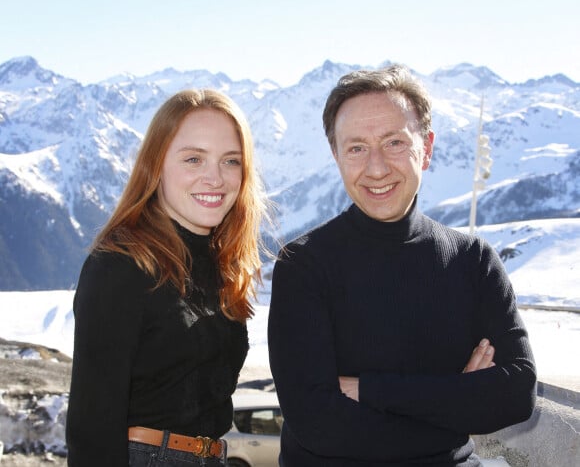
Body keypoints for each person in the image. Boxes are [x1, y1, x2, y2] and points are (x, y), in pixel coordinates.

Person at [268, 65, 536, 466]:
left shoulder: (473, 261)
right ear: (336, 155)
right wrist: (455, 397)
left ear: (426, 148)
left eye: (394, 142)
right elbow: (317, 425)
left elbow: (515, 395)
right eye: (356, 147)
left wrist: (371, 390)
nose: (376, 168)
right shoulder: (304, 265)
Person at [66, 88, 271, 466]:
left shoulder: (219, 263)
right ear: (156, 165)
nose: (215, 178)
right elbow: (91, 425)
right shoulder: (122, 265)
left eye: (231, 161)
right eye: (194, 159)